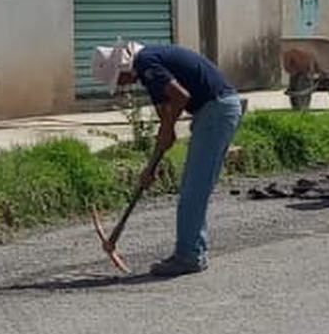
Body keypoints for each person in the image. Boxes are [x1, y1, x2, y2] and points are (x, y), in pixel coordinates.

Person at [93, 40, 244, 276]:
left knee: (194, 188)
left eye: (119, 80)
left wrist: (168, 125)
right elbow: (166, 128)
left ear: (122, 66)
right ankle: (193, 251)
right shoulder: (149, 72)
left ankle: (189, 256)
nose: (123, 86)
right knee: (194, 187)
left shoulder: (146, 62)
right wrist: (150, 168)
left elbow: (181, 97)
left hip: (217, 110)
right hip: (217, 110)